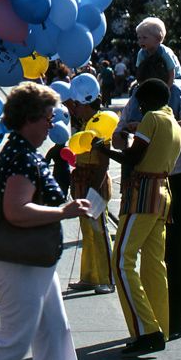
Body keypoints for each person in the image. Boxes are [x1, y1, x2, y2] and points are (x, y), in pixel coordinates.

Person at [0, 82, 89, 360]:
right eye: (48, 118)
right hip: (23, 261)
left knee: (55, 333)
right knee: (13, 345)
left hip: (30, 259)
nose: (51, 125)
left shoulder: (24, 152)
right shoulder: (21, 156)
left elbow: (5, 211)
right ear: (29, 119)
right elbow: (16, 211)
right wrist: (63, 212)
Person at [112, 54, 181, 341]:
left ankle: (161, 325)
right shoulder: (149, 107)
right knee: (155, 259)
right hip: (159, 184)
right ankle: (159, 322)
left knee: (166, 255)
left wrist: (147, 129)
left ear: (171, 76)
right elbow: (118, 131)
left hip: (166, 183)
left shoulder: (175, 103)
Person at [94, 78, 181, 357]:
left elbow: (132, 157)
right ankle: (161, 327)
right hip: (163, 193)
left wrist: (103, 148)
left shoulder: (150, 119)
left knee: (121, 259)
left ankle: (147, 330)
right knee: (155, 265)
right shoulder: (174, 123)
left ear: (143, 101)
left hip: (143, 194)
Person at [65, 95, 115, 295]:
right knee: (87, 231)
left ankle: (107, 279)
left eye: (78, 104)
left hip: (95, 183)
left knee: (99, 231)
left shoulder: (101, 125)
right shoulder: (84, 123)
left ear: (86, 105)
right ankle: (89, 277)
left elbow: (104, 163)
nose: (75, 108)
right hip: (82, 181)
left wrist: (93, 190)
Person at [135, 17, 181, 89]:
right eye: (139, 38)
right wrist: (141, 86)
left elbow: (172, 73)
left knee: (175, 89)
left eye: (144, 37)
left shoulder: (164, 52)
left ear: (158, 39)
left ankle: (171, 99)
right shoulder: (141, 53)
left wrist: (167, 89)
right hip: (155, 79)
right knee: (136, 91)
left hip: (175, 78)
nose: (141, 41)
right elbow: (139, 72)